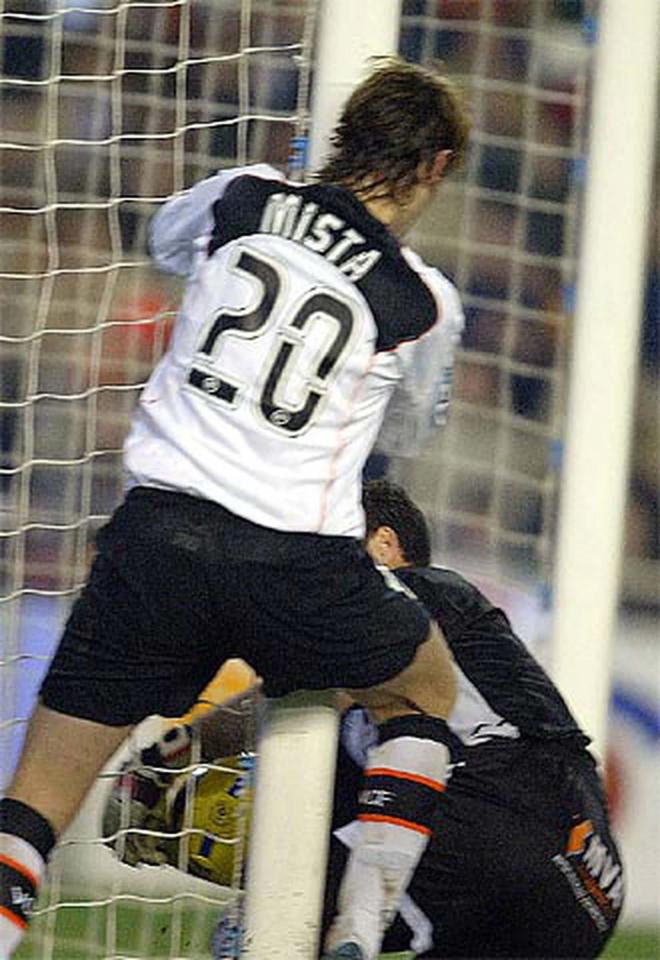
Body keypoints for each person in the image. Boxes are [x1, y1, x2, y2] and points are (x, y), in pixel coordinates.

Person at [0, 58, 469, 960]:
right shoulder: (420, 300)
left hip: (159, 541)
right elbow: (410, 428)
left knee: (36, 801)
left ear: (343, 137)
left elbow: (164, 246)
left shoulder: (242, 197)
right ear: (437, 167)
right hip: (300, 562)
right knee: (425, 688)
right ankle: (361, 933)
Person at [104, 479, 624, 959]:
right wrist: (180, 749)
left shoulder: (421, 591)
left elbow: (309, 689)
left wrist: (174, 757)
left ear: (383, 543)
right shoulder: (419, 654)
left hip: (497, 811)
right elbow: (297, 693)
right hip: (589, 888)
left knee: (258, 930)